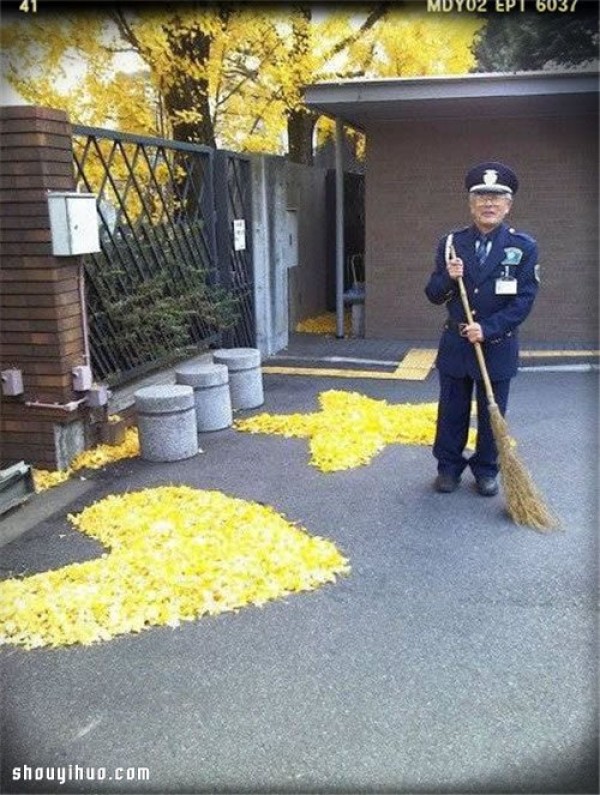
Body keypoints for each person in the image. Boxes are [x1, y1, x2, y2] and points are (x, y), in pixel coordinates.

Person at [425, 161, 540, 496]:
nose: (489, 203)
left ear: (508, 205)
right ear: (471, 203)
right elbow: (433, 294)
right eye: (482, 197)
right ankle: (448, 468)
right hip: (457, 344)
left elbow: (524, 301)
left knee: (492, 416)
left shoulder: (524, 247)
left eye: (497, 197)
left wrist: (487, 329)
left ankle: (487, 469)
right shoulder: (451, 244)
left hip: (497, 344)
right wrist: (449, 276)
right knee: (452, 412)